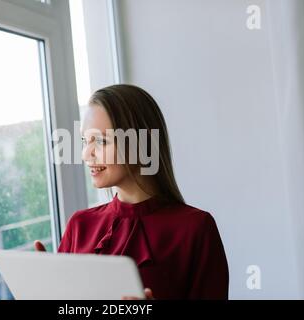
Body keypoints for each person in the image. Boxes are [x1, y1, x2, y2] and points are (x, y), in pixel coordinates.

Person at [34, 84, 229, 300]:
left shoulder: (196, 229)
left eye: (100, 141)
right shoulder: (79, 225)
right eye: (84, 141)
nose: (86, 154)